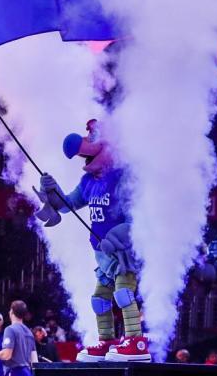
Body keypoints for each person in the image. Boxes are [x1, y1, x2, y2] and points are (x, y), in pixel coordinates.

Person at [36, 119, 148, 361]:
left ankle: (136, 342)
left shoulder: (121, 177)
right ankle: (107, 342)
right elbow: (68, 206)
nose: (85, 148)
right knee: (99, 299)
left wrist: (117, 237)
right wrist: (53, 192)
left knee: (123, 293)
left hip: (122, 252)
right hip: (102, 254)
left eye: (93, 139)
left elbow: (140, 215)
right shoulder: (89, 182)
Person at [0, 301, 36, 376]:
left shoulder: (10, 329)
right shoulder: (29, 332)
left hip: (16, 372)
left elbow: (6, 355)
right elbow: (34, 360)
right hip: (28, 372)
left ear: (12, 312)